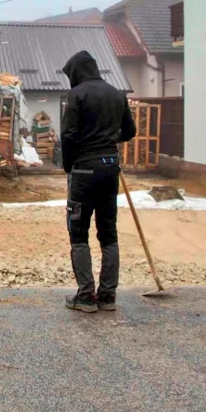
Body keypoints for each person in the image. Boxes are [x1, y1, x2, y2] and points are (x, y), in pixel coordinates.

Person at [60, 51, 137, 313]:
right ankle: (107, 296)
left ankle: (85, 297)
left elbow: (68, 135)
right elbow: (129, 132)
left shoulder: (77, 95)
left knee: (78, 233)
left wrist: (68, 166)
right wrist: (107, 140)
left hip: (84, 172)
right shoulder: (118, 94)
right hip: (110, 168)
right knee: (108, 233)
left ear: (76, 72)